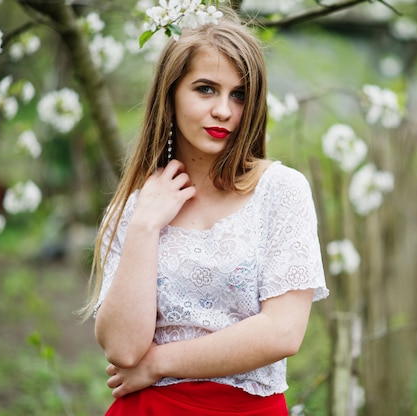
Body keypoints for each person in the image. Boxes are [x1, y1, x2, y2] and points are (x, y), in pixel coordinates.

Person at [80, 9, 329, 416]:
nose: (224, 111)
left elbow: (283, 332)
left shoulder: (281, 191)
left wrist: (160, 362)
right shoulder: (137, 205)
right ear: (171, 94)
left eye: (239, 95)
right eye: (206, 89)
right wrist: (145, 224)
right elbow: (123, 348)